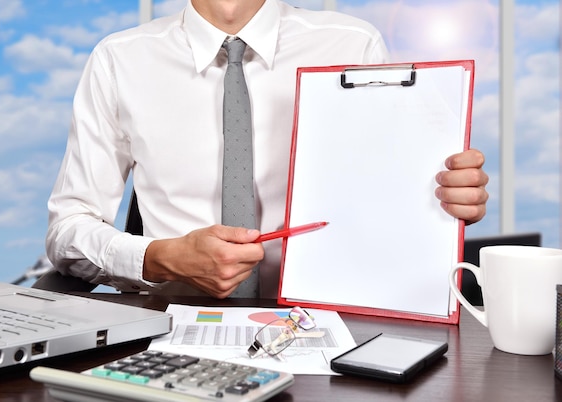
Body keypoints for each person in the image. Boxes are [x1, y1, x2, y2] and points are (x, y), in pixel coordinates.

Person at [45, 0, 489, 299]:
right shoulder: (119, 59)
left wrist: (443, 199)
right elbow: (67, 232)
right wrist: (160, 258)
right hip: (171, 323)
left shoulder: (353, 45)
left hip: (324, 321)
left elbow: (393, 199)